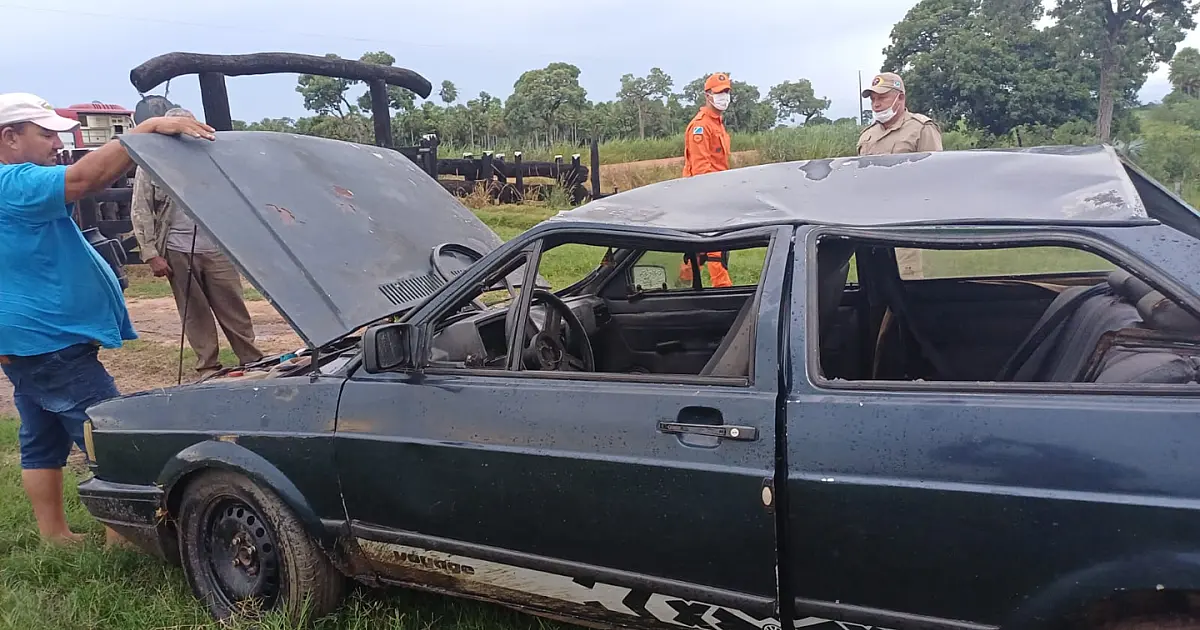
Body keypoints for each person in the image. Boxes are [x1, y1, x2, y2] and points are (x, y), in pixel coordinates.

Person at [0, 92, 215, 545]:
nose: (57, 143)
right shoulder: (13, 182)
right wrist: (146, 130)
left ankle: (54, 536)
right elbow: (85, 178)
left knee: (40, 439)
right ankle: (129, 538)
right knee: (107, 435)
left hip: (26, 342)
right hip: (52, 342)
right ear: (9, 137)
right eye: (46, 135)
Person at [130, 108, 263, 378]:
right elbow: (140, 209)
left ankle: (251, 358)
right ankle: (208, 366)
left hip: (218, 246)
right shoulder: (152, 162)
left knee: (234, 307)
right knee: (194, 311)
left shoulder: (213, 157)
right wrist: (151, 253)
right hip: (177, 248)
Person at [857, 72, 944, 278]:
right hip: (871, 226)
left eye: (882, 97)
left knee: (909, 285)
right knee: (875, 289)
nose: (876, 104)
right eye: (873, 99)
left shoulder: (921, 128)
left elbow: (937, 177)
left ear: (900, 98)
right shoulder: (867, 135)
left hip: (908, 225)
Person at [679, 72, 734, 289]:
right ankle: (723, 289)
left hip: (717, 190)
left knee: (698, 249)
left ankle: (683, 284)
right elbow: (702, 169)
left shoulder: (718, 123)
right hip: (703, 193)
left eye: (727, 92)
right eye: (720, 92)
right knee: (715, 245)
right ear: (707, 95)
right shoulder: (700, 127)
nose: (724, 96)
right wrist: (713, 197)